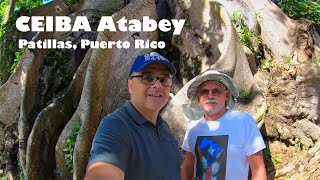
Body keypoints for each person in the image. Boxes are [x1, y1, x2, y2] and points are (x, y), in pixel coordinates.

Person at [85, 52, 182, 180]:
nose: (158, 85)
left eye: (164, 80)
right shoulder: (116, 126)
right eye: (147, 78)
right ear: (130, 86)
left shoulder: (165, 128)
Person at [181, 70, 267, 180]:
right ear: (199, 98)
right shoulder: (193, 127)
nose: (210, 96)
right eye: (204, 92)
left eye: (216, 91)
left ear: (226, 95)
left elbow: (258, 169)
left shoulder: (243, 121)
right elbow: (188, 166)